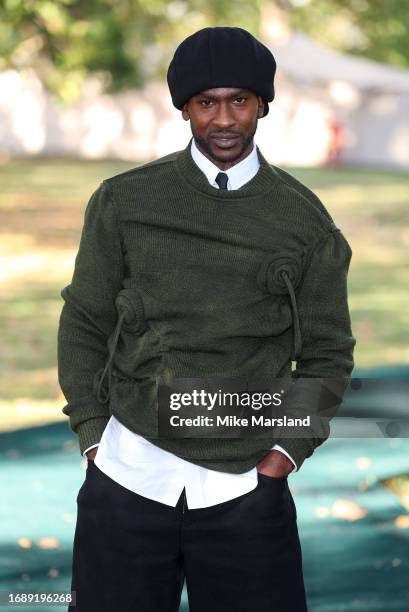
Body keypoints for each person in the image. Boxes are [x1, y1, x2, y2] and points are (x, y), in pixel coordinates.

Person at [58, 26, 356, 612]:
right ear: (185, 109)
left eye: (239, 100)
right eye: (206, 102)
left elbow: (327, 354)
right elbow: (85, 321)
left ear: (263, 105)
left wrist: (283, 458)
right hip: (127, 475)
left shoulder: (304, 223)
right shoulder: (124, 202)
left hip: (247, 487)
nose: (224, 119)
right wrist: (94, 434)